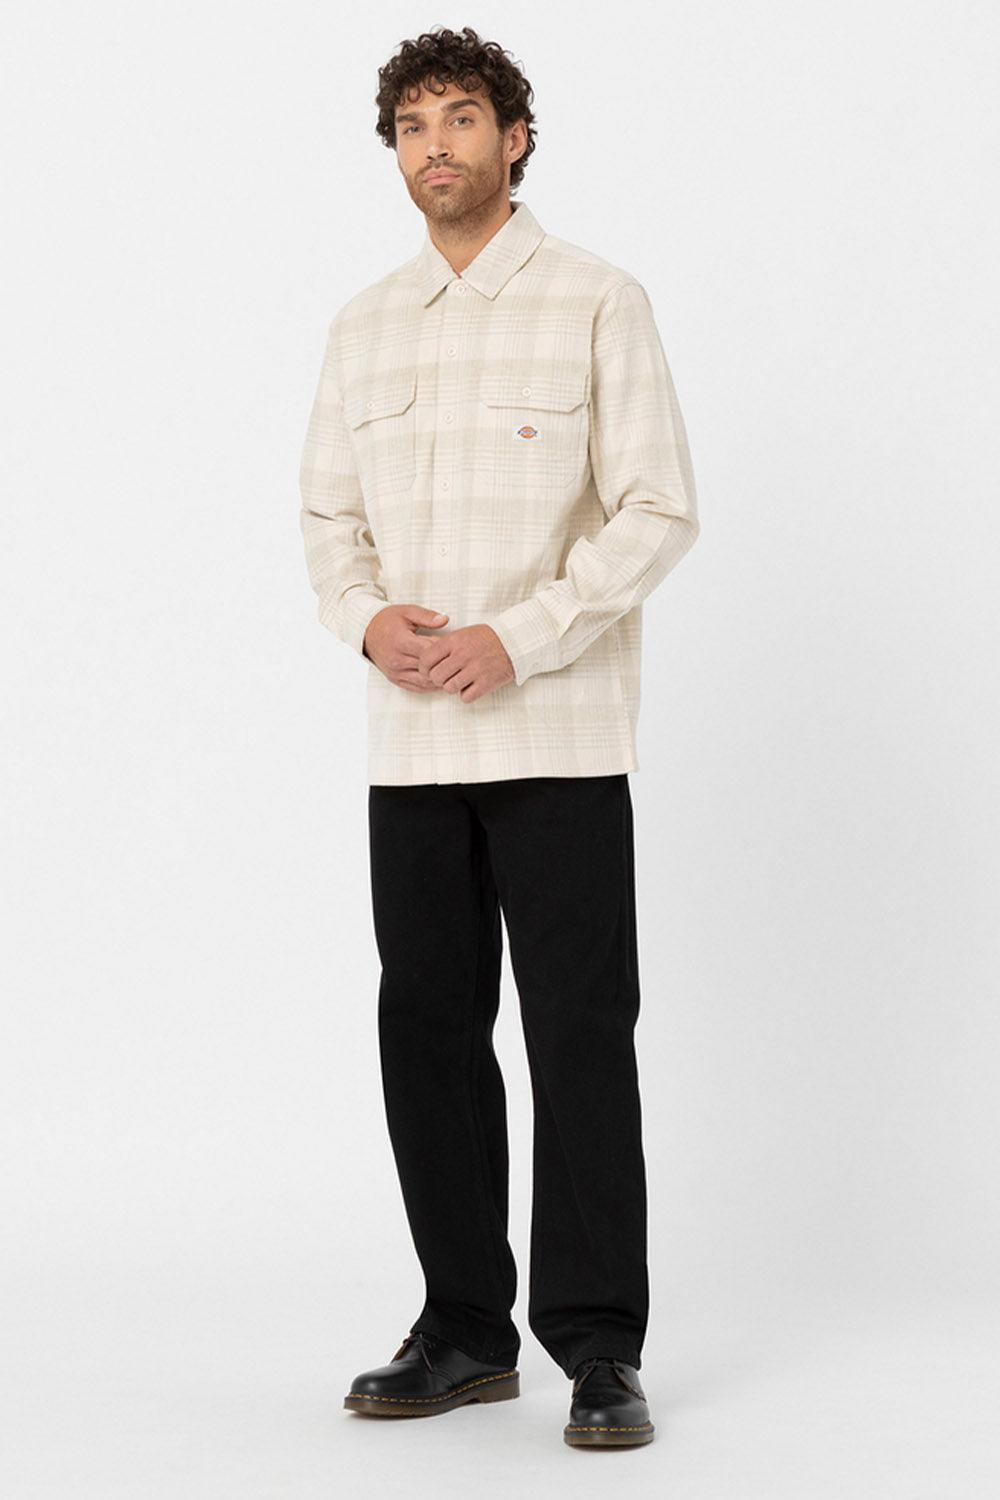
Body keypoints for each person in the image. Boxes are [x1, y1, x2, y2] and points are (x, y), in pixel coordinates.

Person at [298, 25, 700, 1450]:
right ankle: (464, 1328)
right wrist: (367, 621)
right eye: (412, 127)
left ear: (514, 136)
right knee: (426, 1031)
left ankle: (598, 1346)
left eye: (461, 118)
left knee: (578, 1034)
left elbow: (658, 508)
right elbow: (328, 519)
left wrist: (515, 637)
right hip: (412, 748)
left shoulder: (597, 300)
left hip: (562, 735)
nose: (437, 148)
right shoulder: (364, 326)